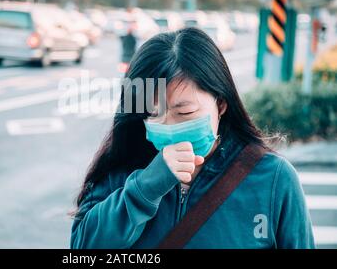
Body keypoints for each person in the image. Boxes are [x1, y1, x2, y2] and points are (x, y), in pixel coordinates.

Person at [70, 27, 315, 249]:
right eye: (153, 114)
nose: (168, 125)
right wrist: (145, 188)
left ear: (220, 104)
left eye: (184, 112)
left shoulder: (273, 178)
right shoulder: (124, 169)